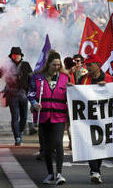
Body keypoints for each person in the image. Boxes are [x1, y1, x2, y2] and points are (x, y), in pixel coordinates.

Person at [28, 50, 68, 185]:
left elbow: (73, 94)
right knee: (46, 147)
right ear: (48, 65)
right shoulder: (37, 77)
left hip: (59, 115)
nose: (56, 67)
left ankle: (60, 174)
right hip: (43, 115)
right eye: (54, 65)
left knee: (58, 143)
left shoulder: (65, 78)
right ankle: (50, 174)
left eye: (58, 65)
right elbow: (31, 93)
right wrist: (34, 103)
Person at [75, 54, 113, 184]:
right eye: (86, 65)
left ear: (98, 65)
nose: (87, 67)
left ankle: (96, 170)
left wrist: (108, 88)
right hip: (88, 118)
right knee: (91, 144)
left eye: (90, 64)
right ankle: (95, 171)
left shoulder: (109, 79)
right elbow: (77, 94)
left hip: (105, 118)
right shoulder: (83, 79)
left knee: (101, 145)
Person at [0, 47, 32, 146]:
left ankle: (20, 133)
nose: (17, 56)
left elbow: (31, 78)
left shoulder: (26, 65)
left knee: (24, 117)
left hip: (23, 93)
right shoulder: (7, 66)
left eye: (18, 55)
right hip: (12, 94)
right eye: (15, 55)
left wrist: (31, 91)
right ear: (11, 56)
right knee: (15, 117)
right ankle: (17, 137)